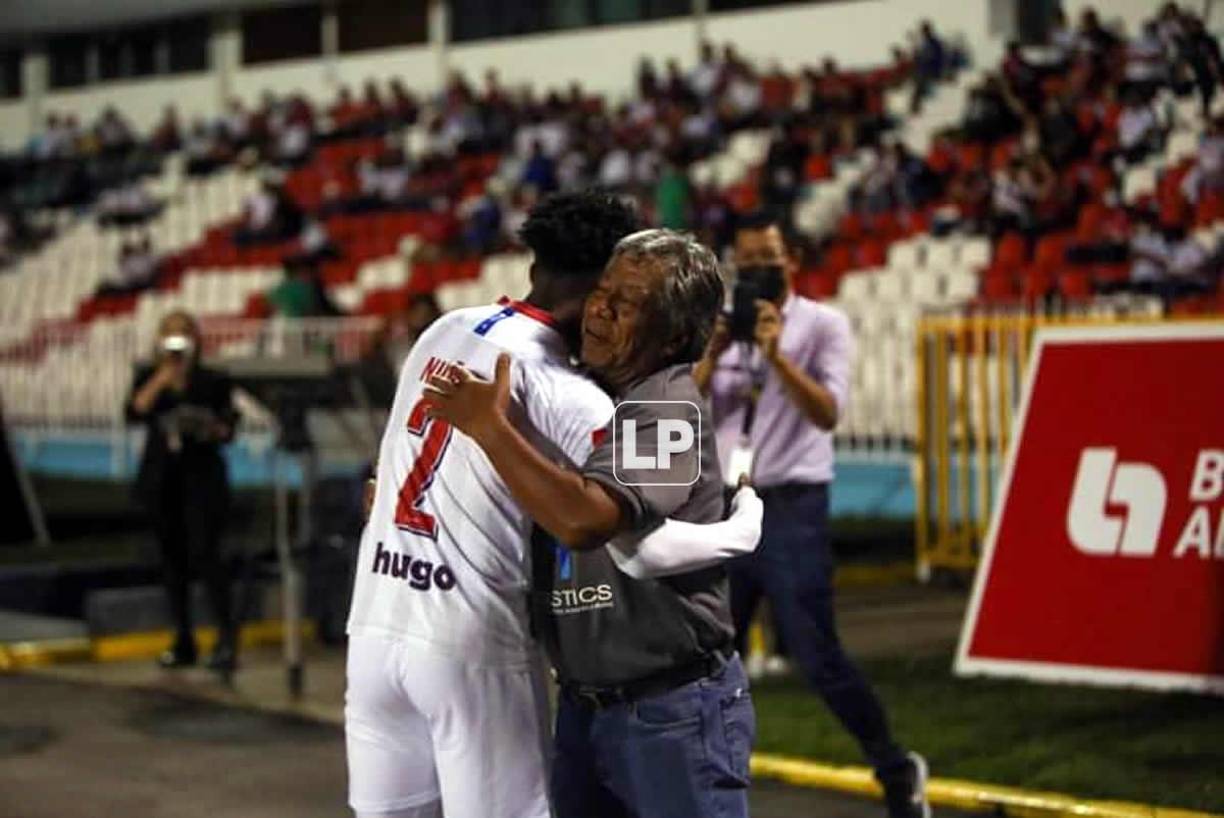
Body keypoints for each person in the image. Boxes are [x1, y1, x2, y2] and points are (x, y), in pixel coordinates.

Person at [344, 194, 760, 818]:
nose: (603, 311)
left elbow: (592, 520)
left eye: (626, 302)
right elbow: (633, 545)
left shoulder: (447, 331)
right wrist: (743, 528)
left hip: (380, 627)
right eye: (606, 294)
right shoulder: (568, 390)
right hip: (481, 650)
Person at [692, 212, 930, 818]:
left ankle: (896, 768)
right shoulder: (717, 326)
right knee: (707, 656)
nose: (757, 271)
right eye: (746, 262)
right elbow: (686, 409)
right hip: (726, 505)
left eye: (767, 259)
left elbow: (827, 413)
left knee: (814, 652)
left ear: (792, 260)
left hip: (791, 505)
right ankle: (701, 788)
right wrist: (712, 355)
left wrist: (777, 357)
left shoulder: (823, 325)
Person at [125, 311, 240, 675]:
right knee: (171, 561)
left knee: (208, 555)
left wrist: (209, 427)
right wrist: (163, 378)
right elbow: (134, 411)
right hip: (163, 479)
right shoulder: (149, 375)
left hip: (201, 478)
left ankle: (226, 639)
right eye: (170, 336)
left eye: (183, 336)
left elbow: (229, 425)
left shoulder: (212, 379)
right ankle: (183, 638)